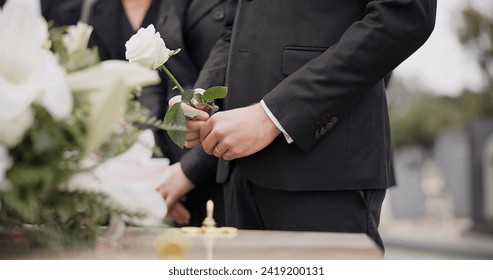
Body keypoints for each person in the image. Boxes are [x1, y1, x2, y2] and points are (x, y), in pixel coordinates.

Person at [164, 0, 437, 250]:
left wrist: (272, 115)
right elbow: (235, 27)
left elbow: (403, 16)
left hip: (321, 169)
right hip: (239, 175)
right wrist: (199, 96)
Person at [84, 0, 227, 227]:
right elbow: (151, 86)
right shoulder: (95, 10)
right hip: (159, 172)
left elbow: (235, 73)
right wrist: (153, 176)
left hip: (219, 160)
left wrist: (188, 171)